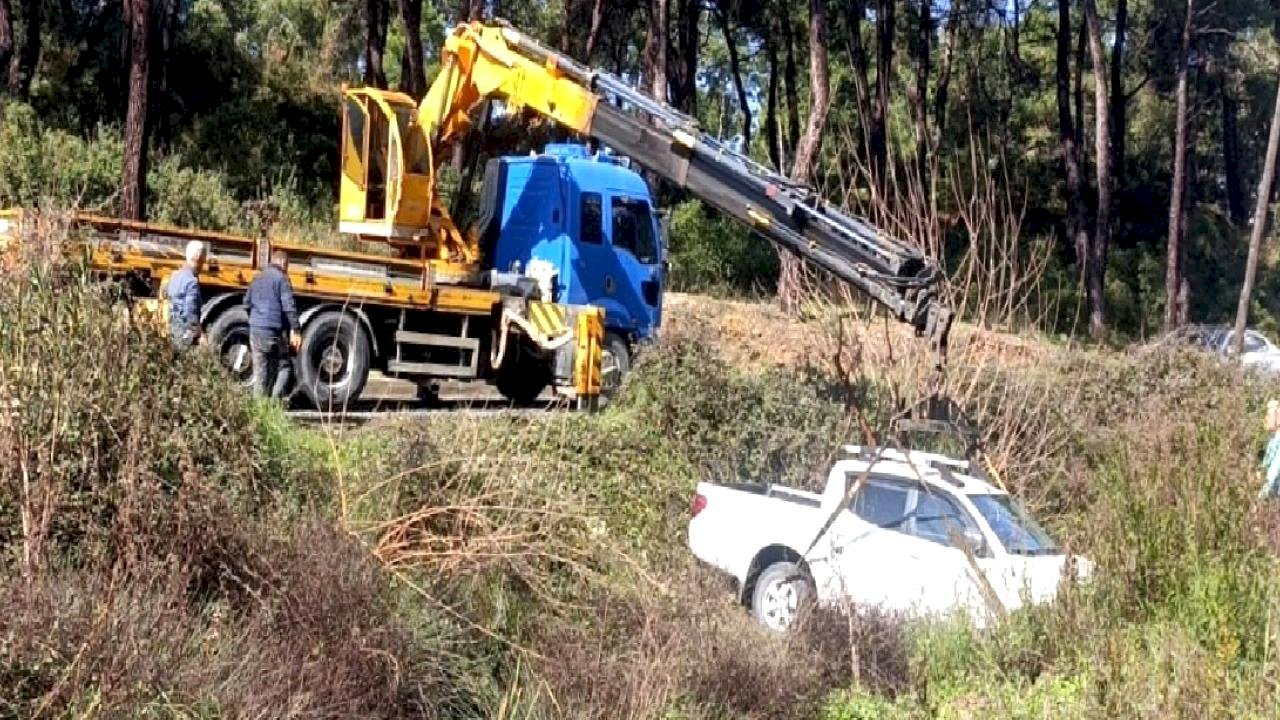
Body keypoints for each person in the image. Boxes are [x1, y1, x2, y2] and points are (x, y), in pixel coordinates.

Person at [245, 249, 301, 398]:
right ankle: (274, 402)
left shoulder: (257, 277)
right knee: (284, 366)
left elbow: (246, 303)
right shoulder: (282, 279)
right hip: (273, 332)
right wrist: (296, 330)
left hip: (255, 331)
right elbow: (289, 307)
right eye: (287, 266)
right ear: (283, 263)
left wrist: (255, 320)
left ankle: (259, 407)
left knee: (260, 372)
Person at [166, 240, 206, 350]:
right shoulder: (192, 282)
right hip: (184, 333)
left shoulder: (175, 276)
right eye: (203, 261)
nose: (203, 265)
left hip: (172, 328)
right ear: (198, 259)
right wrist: (199, 334)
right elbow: (191, 311)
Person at [1260, 399, 1280, 499]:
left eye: (1268, 415)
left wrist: (1260, 499)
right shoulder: (1272, 440)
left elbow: (1273, 474)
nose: (1265, 419)